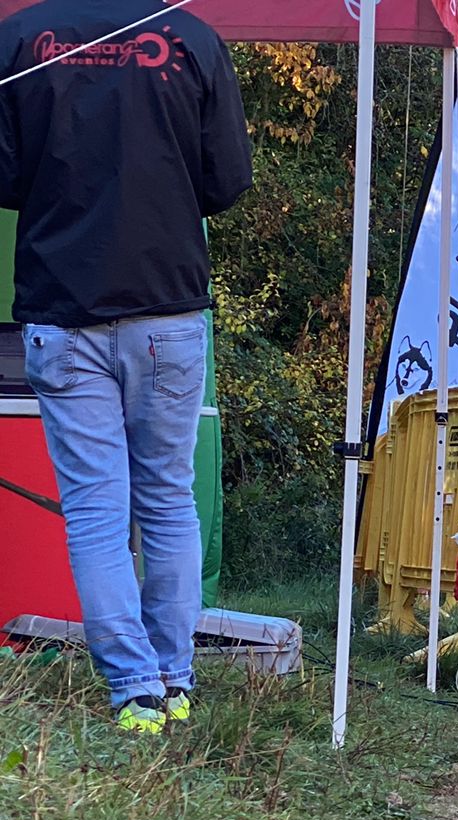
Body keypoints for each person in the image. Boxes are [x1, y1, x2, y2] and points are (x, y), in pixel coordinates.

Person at [0, 0, 253, 734]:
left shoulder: (18, 39)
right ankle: (174, 678)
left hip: (62, 304)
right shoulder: (193, 39)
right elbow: (228, 180)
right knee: (169, 500)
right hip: (167, 308)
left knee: (95, 512)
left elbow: (7, 179)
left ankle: (135, 690)